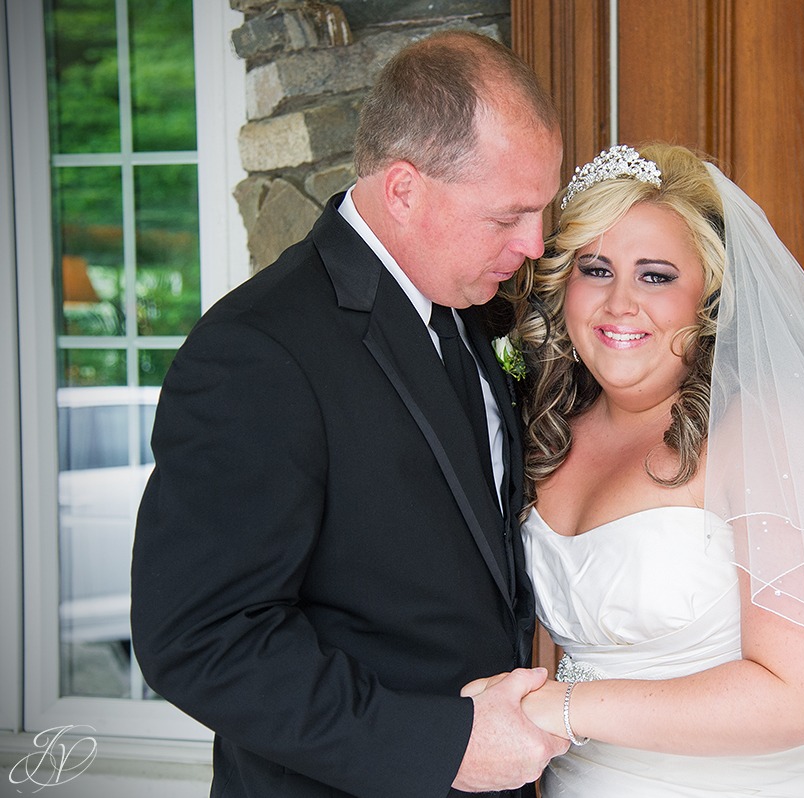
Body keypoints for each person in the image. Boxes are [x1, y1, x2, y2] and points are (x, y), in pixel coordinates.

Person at [130, 30, 567, 797]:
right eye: (508, 217)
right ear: (404, 189)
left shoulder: (465, 307)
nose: (533, 244)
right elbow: (200, 639)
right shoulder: (258, 352)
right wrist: (444, 747)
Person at [484, 143, 804, 796]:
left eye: (656, 275)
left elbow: (803, 698)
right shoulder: (548, 435)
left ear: (709, 294)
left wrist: (559, 708)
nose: (619, 303)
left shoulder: (770, 434)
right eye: (596, 268)